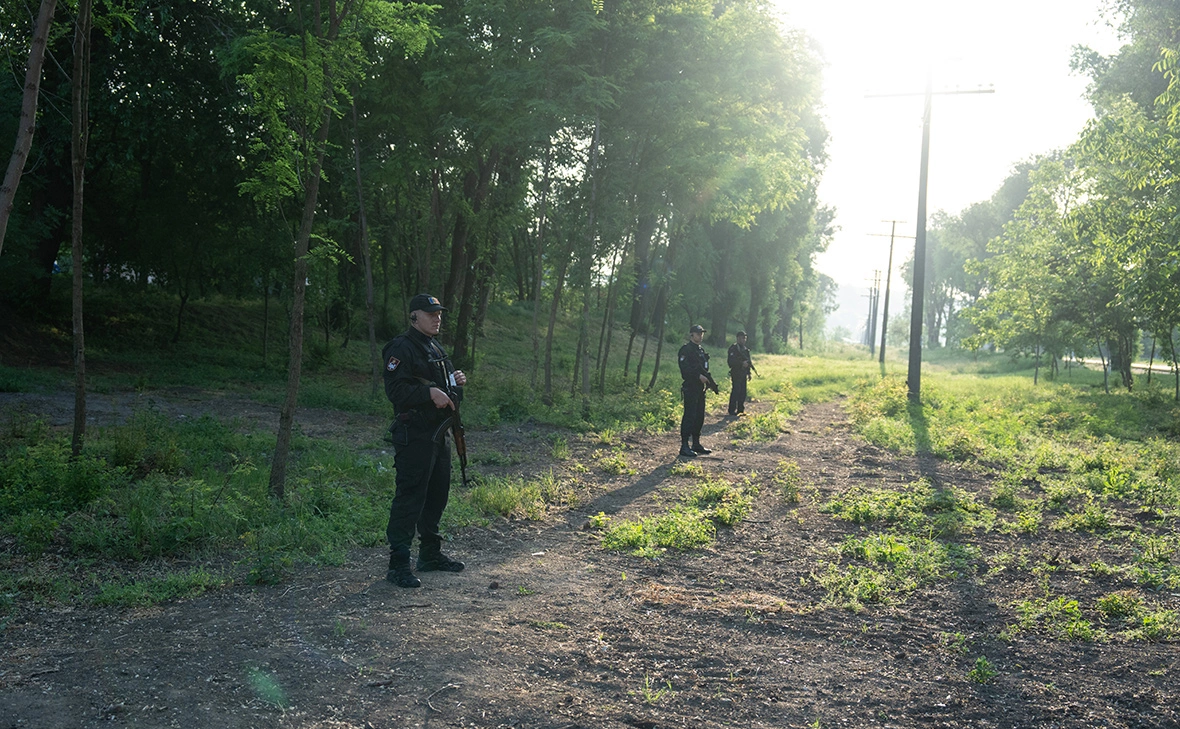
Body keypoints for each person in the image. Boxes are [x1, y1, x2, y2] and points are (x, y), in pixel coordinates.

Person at [382, 293, 468, 588]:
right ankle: (398, 564)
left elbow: (451, 395)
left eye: (439, 313)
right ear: (414, 316)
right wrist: (428, 393)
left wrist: (456, 382)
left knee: (436, 496)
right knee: (410, 498)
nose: (437, 318)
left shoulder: (436, 347)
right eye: (431, 313)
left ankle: (430, 555)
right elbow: (396, 391)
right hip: (414, 435)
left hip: (439, 433)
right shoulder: (401, 347)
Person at [677, 324, 713, 457]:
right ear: (691, 334)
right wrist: (698, 376)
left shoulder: (701, 351)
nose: (700, 336)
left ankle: (696, 443)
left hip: (700, 388)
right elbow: (685, 370)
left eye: (702, 333)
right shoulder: (685, 350)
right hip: (691, 387)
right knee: (689, 416)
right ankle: (684, 445)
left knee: (699, 416)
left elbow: (704, 368)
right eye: (698, 334)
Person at [727, 330, 752, 416]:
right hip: (736, 373)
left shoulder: (745, 350)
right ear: (737, 338)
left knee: (743, 392)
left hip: (743, 373)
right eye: (742, 338)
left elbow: (749, 362)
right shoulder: (733, 349)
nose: (743, 340)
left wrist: (749, 373)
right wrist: (741, 363)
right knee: (736, 391)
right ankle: (731, 410)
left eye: (745, 338)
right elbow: (731, 362)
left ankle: (740, 409)